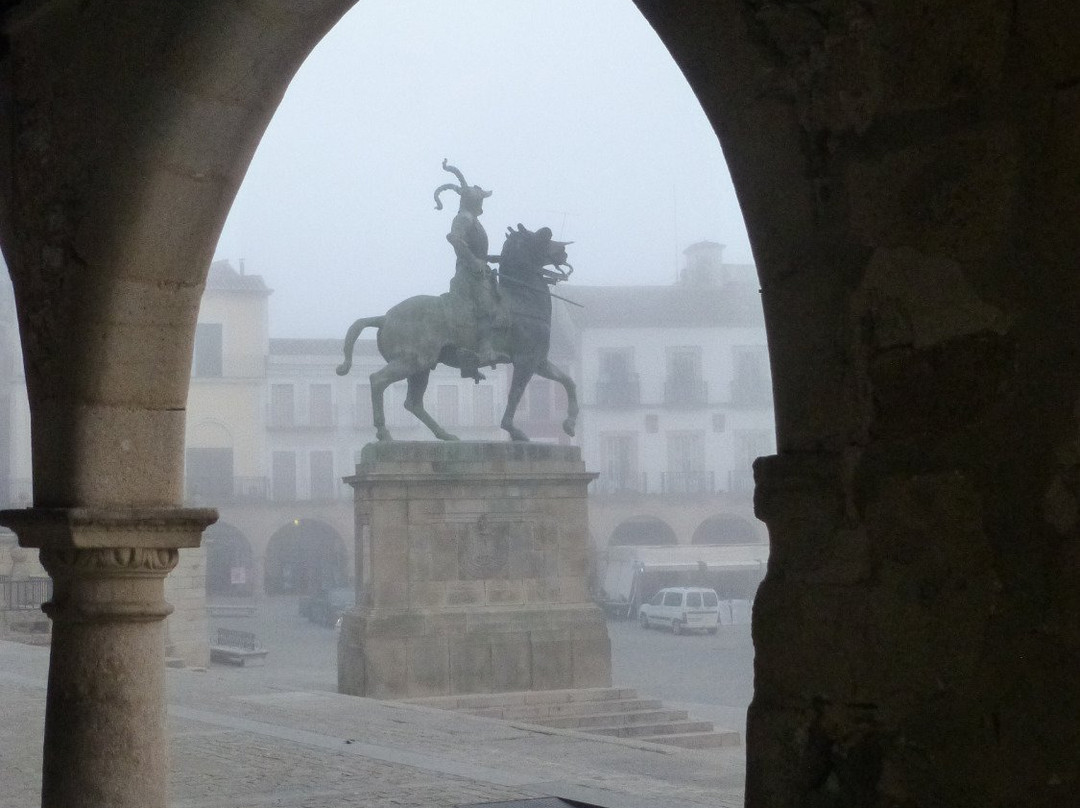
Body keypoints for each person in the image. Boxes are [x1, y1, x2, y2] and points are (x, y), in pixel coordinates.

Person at [434, 159, 507, 380]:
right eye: (480, 200)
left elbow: (478, 252)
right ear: (473, 201)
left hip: (478, 271)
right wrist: (475, 262)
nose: (481, 205)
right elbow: (456, 240)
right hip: (469, 275)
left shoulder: (472, 220)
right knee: (487, 307)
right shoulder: (463, 218)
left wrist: (491, 259)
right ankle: (485, 350)